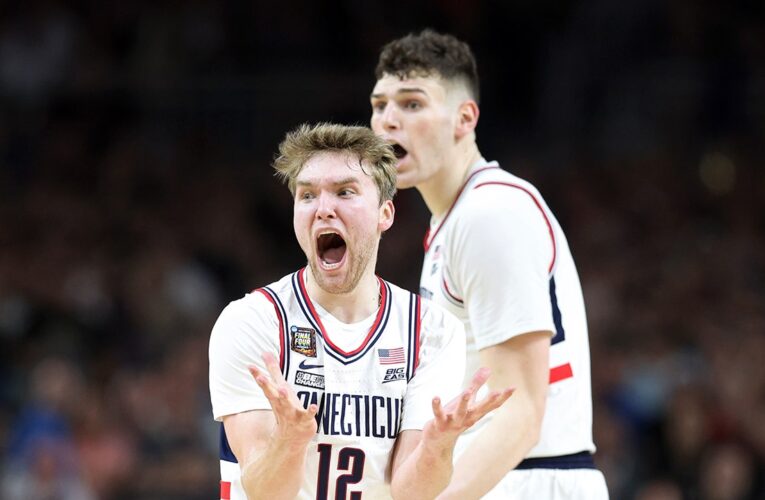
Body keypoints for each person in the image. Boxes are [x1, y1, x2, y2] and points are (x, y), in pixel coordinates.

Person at [208, 123, 514, 500]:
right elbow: (264, 491)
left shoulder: (430, 330)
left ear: (385, 213)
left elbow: (410, 492)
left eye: (344, 192)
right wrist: (289, 441)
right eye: (307, 195)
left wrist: (437, 449)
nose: (323, 209)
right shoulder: (251, 321)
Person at [370, 30, 609, 499]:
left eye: (412, 104)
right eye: (379, 105)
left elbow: (518, 412)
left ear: (464, 118)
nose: (388, 121)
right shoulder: (454, 220)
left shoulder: (489, 213)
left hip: (531, 479)